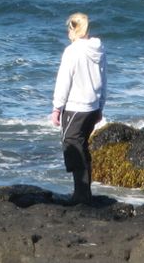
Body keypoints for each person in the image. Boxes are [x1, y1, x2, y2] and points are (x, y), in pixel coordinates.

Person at [51, 12, 106, 205]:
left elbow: (63, 81)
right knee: (81, 145)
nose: (67, 32)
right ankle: (84, 192)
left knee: (72, 145)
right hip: (92, 107)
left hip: (75, 106)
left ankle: (80, 194)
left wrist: (57, 107)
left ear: (74, 29)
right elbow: (104, 79)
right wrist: (101, 106)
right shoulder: (98, 49)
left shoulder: (72, 51)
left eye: (69, 28)